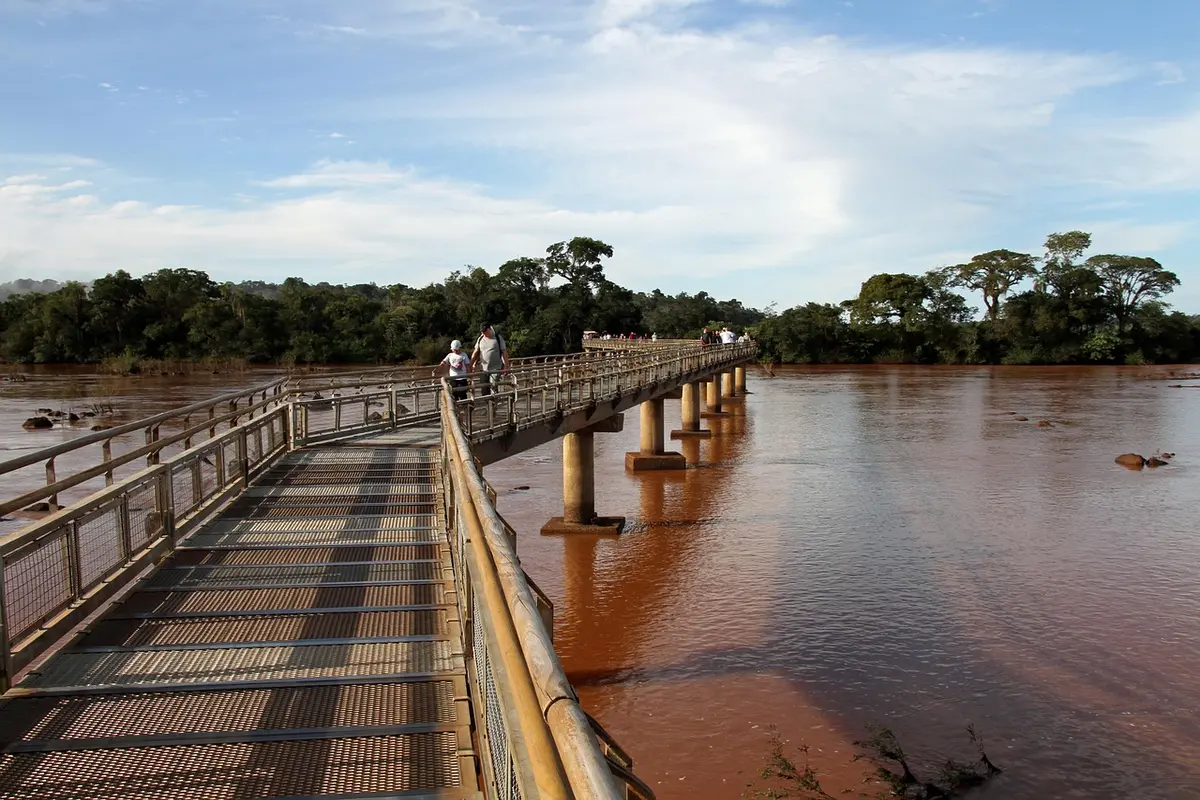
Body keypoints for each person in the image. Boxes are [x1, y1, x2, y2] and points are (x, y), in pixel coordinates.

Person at [471, 323, 509, 396]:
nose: (483, 334)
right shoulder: (480, 339)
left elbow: (504, 352)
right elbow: (476, 352)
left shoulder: (498, 338)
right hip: (483, 369)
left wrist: (506, 366)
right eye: (482, 332)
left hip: (495, 368)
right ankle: (487, 405)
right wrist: (471, 365)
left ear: (489, 329)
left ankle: (493, 405)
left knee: (493, 387)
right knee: (484, 390)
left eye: (484, 332)